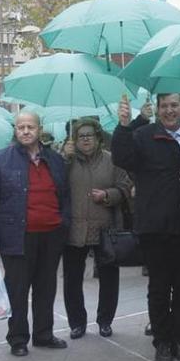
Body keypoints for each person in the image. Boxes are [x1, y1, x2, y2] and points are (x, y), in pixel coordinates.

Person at [112, 92, 180, 361]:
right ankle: (162, 340)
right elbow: (122, 156)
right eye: (164, 106)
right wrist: (125, 125)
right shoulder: (144, 135)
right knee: (160, 287)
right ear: (157, 108)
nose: (169, 111)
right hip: (156, 226)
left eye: (174, 105)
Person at [0, 111, 71, 357]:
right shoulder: (1, 161)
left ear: (39, 129)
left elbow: (65, 196)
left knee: (46, 288)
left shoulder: (55, 159)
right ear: (15, 130)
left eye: (30, 126)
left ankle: (44, 334)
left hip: (51, 235)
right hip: (17, 237)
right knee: (18, 291)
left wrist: (63, 224)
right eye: (21, 127)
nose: (26, 131)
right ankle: (18, 338)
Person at [62, 118, 132, 339]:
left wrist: (108, 195)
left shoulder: (112, 161)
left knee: (109, 277)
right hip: (74, 229)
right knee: (72, 278)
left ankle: (105, 320)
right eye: (80, 136)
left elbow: (125, 187)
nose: (85, 139)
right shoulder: (68, 161)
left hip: (106, 228)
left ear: (98, 138)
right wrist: (64, 158)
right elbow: (55, 185)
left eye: (89, 135)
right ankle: (77, 323)